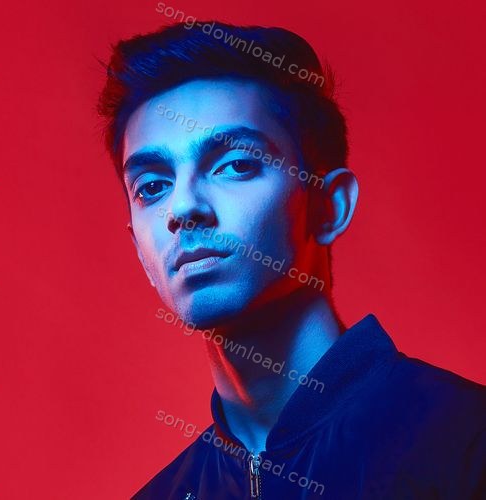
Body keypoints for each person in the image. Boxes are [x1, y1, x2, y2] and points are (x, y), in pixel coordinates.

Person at [97, 21, 485, 499]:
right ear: (140, 251)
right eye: (152, 186)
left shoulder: (465, 443)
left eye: (236, 165)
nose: (182, 208)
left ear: (329, 206)